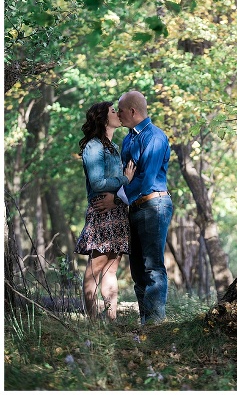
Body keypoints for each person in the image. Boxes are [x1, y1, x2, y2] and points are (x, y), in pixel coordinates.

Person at [75, 101, 136, 321]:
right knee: (95, 268)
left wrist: (123, 189)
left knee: (111, 269)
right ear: (103, 118)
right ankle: (91, 322)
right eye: (113, 111)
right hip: (102, 211)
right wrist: (125, 179)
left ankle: (111, 322)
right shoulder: (93, 146)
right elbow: (98, 183)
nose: (118, 114)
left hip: (117, 211)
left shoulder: (114, 147)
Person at [116, 90, 173, 324]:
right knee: (137, 268)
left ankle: (155, 324)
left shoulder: (155, 137)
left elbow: (146, 179)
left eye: (120, 110)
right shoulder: (128, 138)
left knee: (152, 266)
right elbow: (124, 175)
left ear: (132, 111)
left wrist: (118, 198)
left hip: (153, 205)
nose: (117, 114)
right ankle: (145, 321)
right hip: (135, 207)